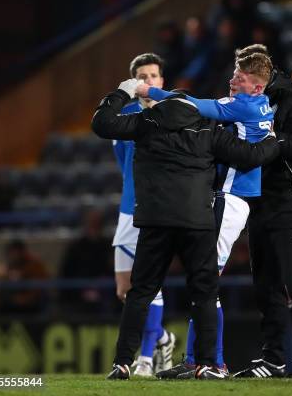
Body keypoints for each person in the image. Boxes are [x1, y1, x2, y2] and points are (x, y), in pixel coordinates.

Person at [92, 75, 280, 380]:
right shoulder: (208, 128)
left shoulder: (146, 121)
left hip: (154, 221)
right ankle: (207, 364)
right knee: (204, 294)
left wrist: (119, 93)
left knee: (140, 293)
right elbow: (250, 157)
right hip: (197, 222)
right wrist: (271, 137)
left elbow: (102, 123)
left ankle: (123, 363)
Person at [138, 52, 274, 378]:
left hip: (230, 198)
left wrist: (149, 92)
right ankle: (195, 360)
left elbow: (191, 104)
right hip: (230, 198)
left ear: (254, 87)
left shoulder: (244, 105)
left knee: (206, 281)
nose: (232, 80)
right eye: (233, 74)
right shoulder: (261, 102)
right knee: (203, 282)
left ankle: (215, 362)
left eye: (239, 78)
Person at [231, 44, 292, 379]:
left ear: (258, 81)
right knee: (265, 286)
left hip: (290, 204)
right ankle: (274, 359)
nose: (233, 81)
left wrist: (268, 139)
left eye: (239, 76)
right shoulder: (248, 104)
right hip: (259, 204)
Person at [111, 53, 176, 377]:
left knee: (149, 284)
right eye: (143, 76)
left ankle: (146, 359)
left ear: (162, 82)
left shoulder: (174, 115)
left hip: (156, 211)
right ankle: (164, 338)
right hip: (128, 209)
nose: (149, 81)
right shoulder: (124, 117)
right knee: (125, 290)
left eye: (154, 75)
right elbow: (123, 161)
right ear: (134, 82)